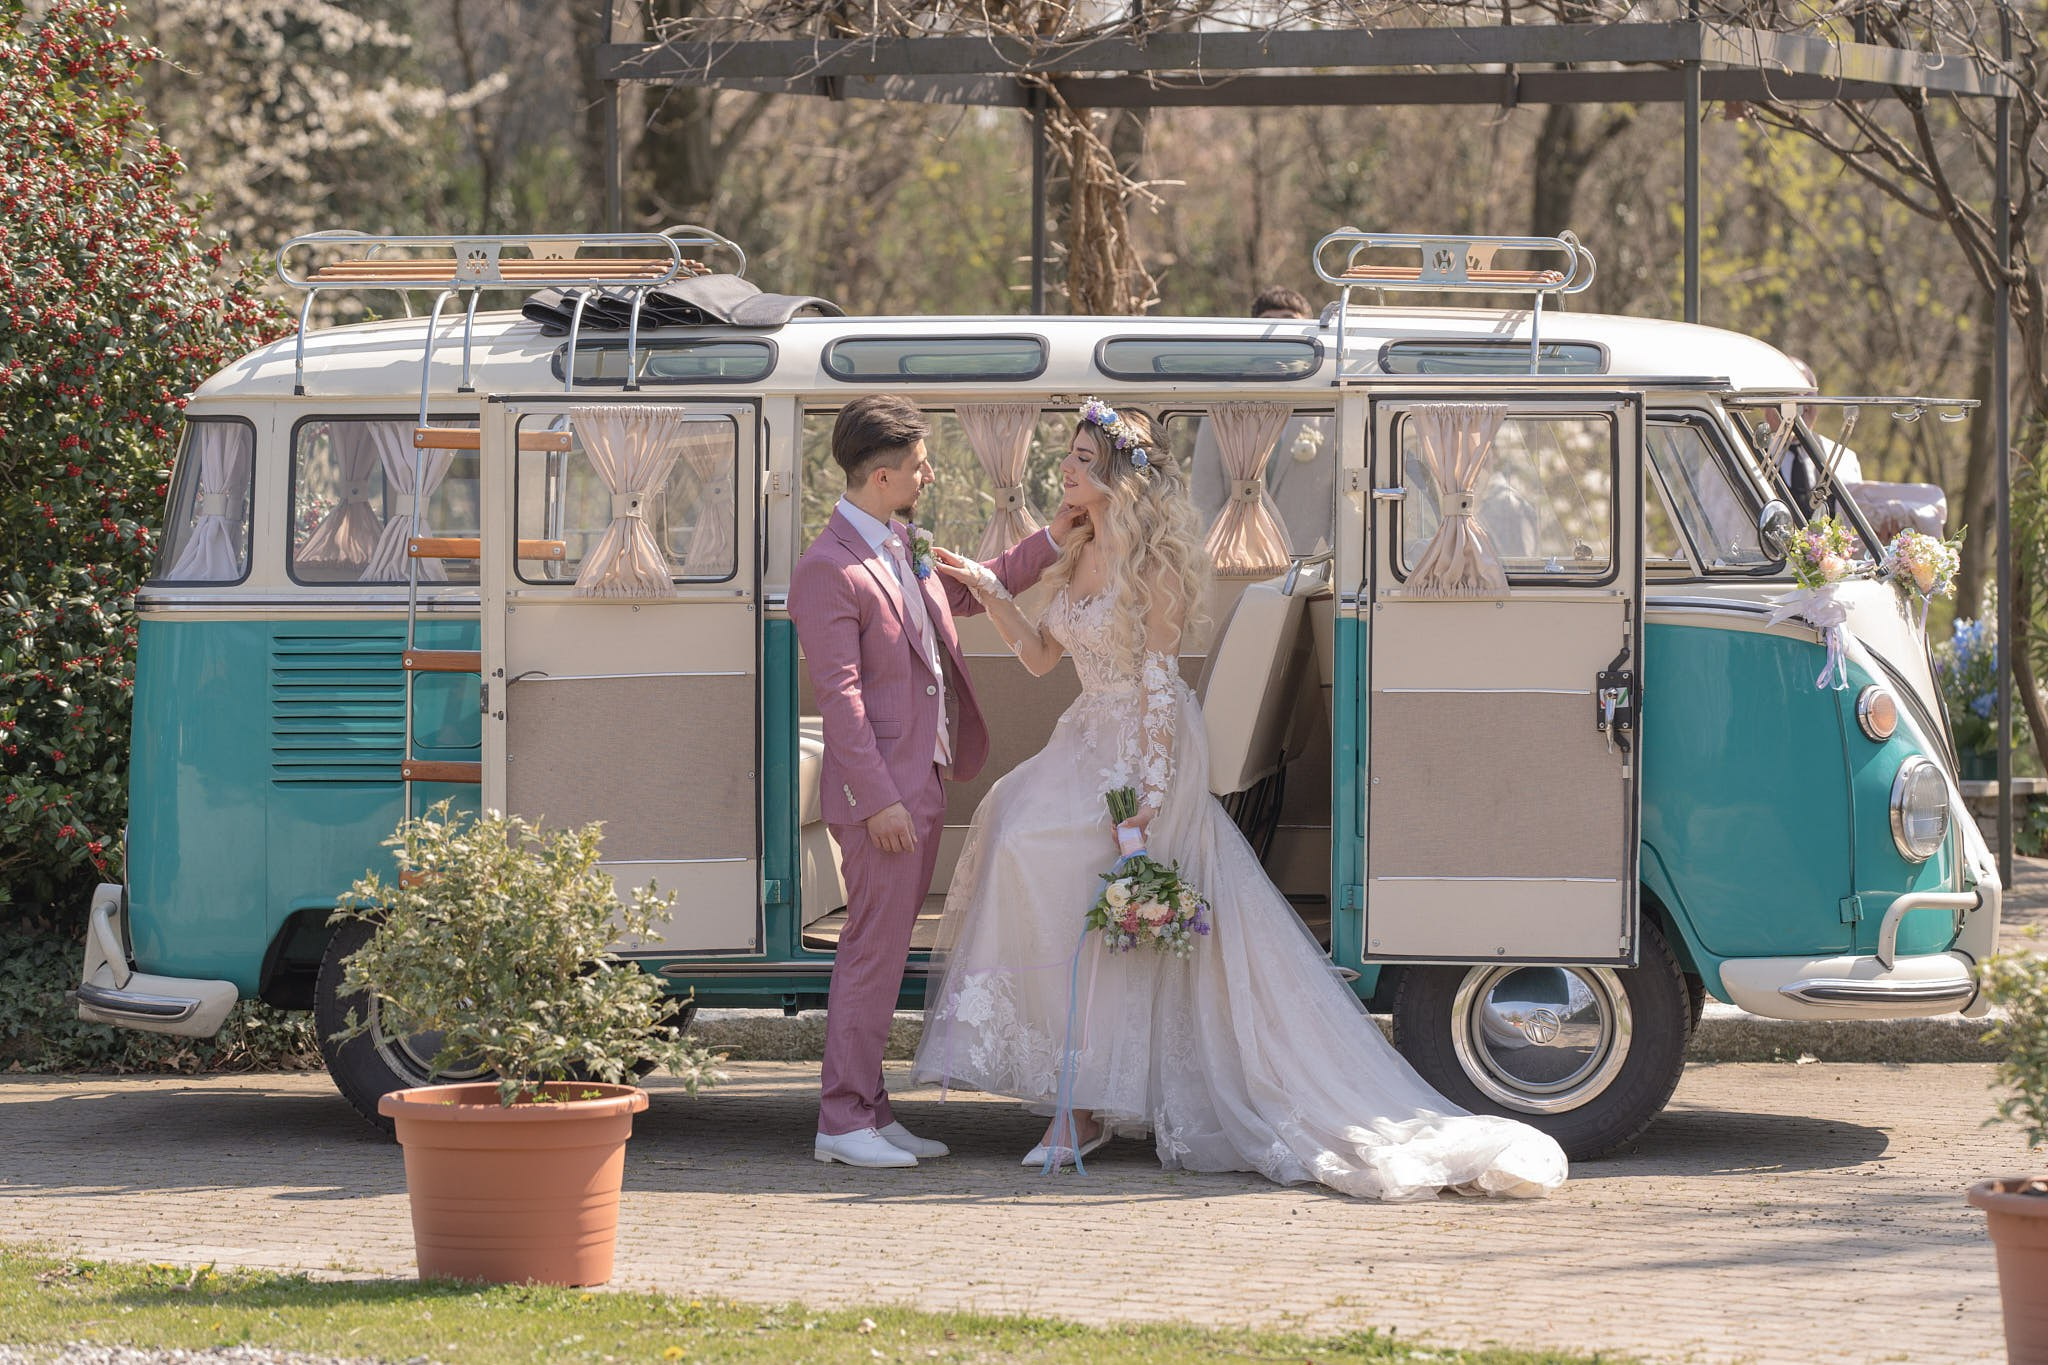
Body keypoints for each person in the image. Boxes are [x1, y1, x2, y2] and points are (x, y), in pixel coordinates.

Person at [912, 399, 1570, 1201]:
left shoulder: (1147, 563)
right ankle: (1076, 1091)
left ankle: (1087, 1100)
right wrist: (994, 590)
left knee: (1072, 866)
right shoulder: (1075, 545)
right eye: (1071, 455)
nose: (1068, 469)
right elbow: (1046, 659)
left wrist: (1145, 804)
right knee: (1015, 832)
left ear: (1118, 474)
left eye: (1084, 458)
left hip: (1147, 743)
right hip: (1087, 730)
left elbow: (1157, 685)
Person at [789, 395, 1077, 1169]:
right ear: (883, 476)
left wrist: (1053, 541)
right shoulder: (827, 571)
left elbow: (966, 588)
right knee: (871, 954)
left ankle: (871, 1112)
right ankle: (842, 1118)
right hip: (883, 794)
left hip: (922, 777)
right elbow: (840, 698)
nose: (931, 472)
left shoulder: (899, 541)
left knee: (884, 954)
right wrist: (879, 798)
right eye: (920, 464)